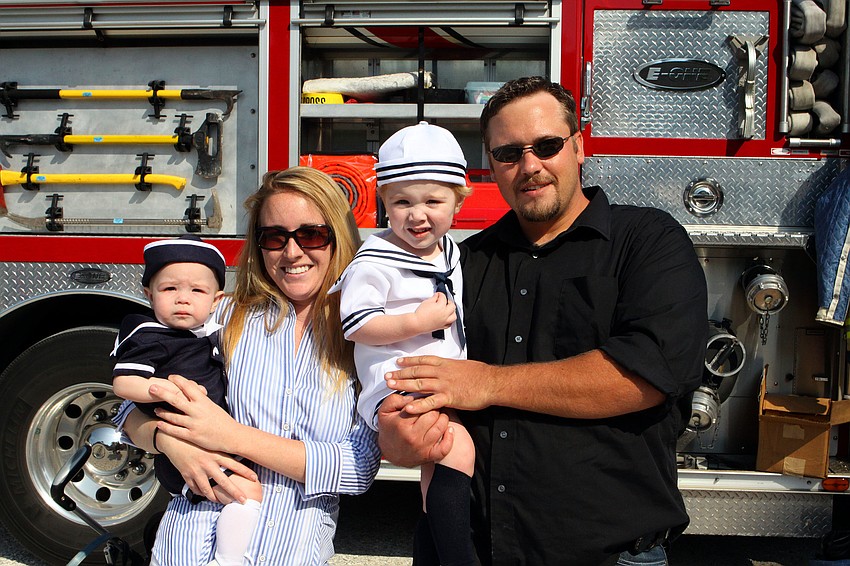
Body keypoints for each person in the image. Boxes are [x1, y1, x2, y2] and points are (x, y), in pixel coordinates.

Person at [376, 76, 709, 566]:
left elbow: (645, 376)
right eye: (509, 153)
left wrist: (487, 383)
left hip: (605, 554)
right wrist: (395, 430)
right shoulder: (461, 264)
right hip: (470, 547)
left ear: (578, 147)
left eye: (547, 146)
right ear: (491, 166)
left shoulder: (648, 241)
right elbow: (409, 367)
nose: (529, 166)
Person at [117, 166, 382, 565]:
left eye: (310, 234)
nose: (292, 253)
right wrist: (169, 443)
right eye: (275, 237)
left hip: (289, 552)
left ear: (338, 237)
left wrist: (233, 436)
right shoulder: (224, 319)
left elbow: (358, 468)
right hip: (188, 544)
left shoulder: (366, 335)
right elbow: (125, 410)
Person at [329, 121, 477, 565]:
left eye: (433, 200)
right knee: (456, 447)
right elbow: (358, 324)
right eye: (402, 202)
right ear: (384, 206)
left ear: (458, 201)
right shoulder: (373, 260)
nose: (418, 214)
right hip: (397, 381)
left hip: (440, 378)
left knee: (440, 470)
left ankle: (431, 555)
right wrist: (416, 320)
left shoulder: (450, 251)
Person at [111, 234, 263, 566]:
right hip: (185, 441)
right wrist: (160, 390)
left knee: (245, 492)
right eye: (170, 289)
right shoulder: (149, 334)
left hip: (216, 439)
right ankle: (228, 559)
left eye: (197, 290)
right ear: (148, 295)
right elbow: (123, 383)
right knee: (247, 495)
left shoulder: (212, 331)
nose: (183, 299)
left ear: (216, 299)